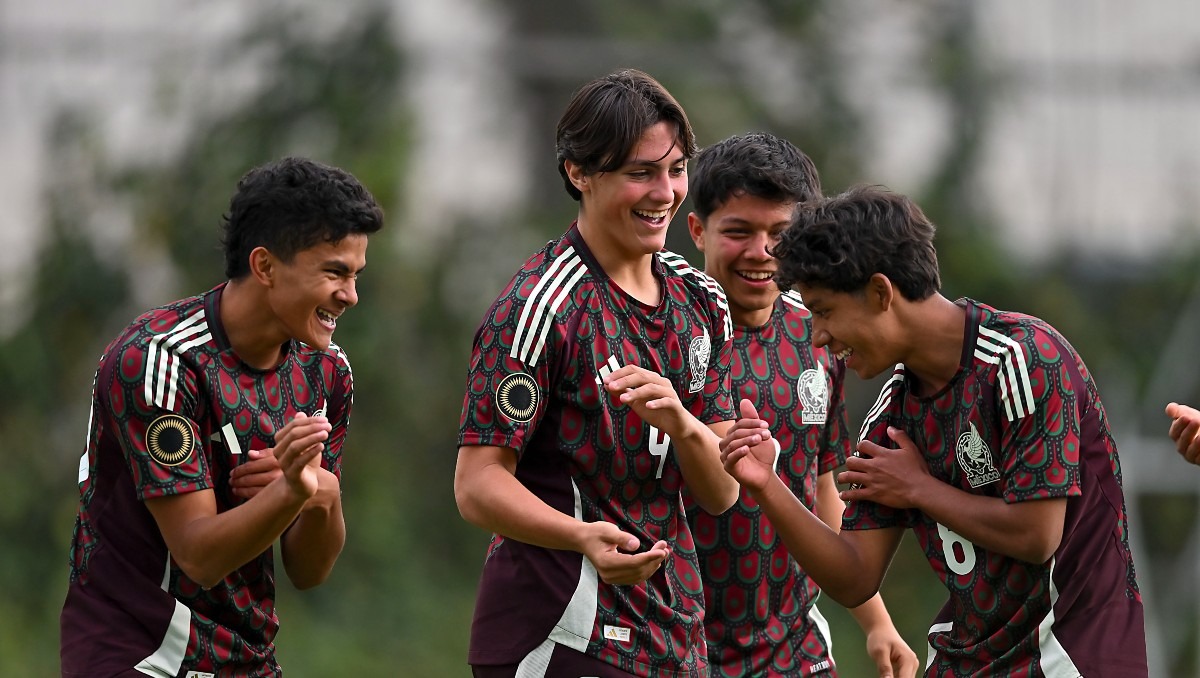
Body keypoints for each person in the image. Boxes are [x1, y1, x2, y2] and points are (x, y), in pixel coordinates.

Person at [720, 185, 1148, 676]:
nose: (816, 334)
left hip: (1069, 657)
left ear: (881, 293)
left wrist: (918, 488)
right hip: (966, 660)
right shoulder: (893, 412)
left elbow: (1037, 535)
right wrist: (765, 484)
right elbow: (856, 575)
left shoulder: (1024, 360)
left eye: (824, 311)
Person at [454, 68, 739, 678]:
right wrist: (579, 536)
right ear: (579, 173)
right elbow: (476, 484)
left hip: (673, 634)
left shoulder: (702, 300)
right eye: (640, 173)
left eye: (677, 168)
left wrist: (686, 427)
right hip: (561, 631)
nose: (665, 191)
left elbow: (722, 492)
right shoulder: (539, 308)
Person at [60, 157, 384, 677]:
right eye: (334, 272)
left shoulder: (327, 372)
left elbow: (309, 570)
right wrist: (292, 492)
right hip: (139, 656)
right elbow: (199, 557)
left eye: (355, 274)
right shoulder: (158, 363)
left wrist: (322, 494)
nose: (350, 295)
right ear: (265, 267)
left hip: (247, 661)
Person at [685, 133, 918, 678]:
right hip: (676, 648)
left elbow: (821, 484)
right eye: (739, 232)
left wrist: (876, 622)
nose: (761, 252)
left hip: (792, 651)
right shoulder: (663, 329)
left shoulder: (816, 332)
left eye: (779, 235)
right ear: (698, 230)